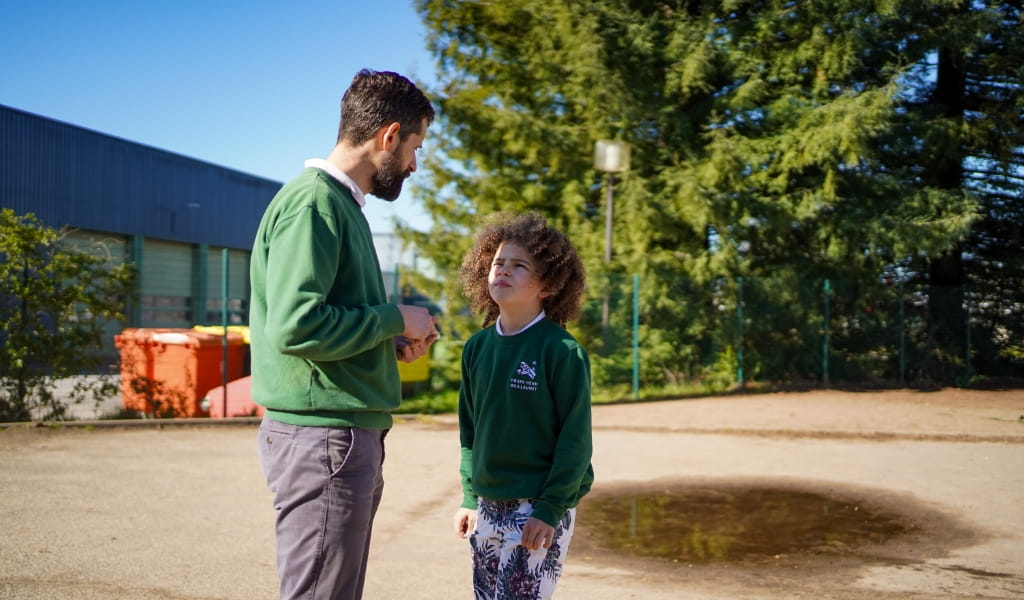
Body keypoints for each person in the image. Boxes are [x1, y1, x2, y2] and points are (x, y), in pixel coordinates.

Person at [249, 69, 439, 600]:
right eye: (414, 146)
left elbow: (326, 321)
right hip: (324, 439)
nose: (414, 163)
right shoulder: (316, 205)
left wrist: (387, 345)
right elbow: (296, 325)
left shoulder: (338, 205)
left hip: (336, 435)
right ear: (388, 136)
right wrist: (394, 319)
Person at [452, 212, 594, 599]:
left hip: (538, 507)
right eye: (498, 262)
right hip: (487, 504)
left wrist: (549, 510)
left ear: (547, 285)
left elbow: (575, 441)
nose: (503, 270)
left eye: (519, 265)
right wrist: (469, 497)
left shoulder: (561, 351)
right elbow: (470, 431)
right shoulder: (476, 348)